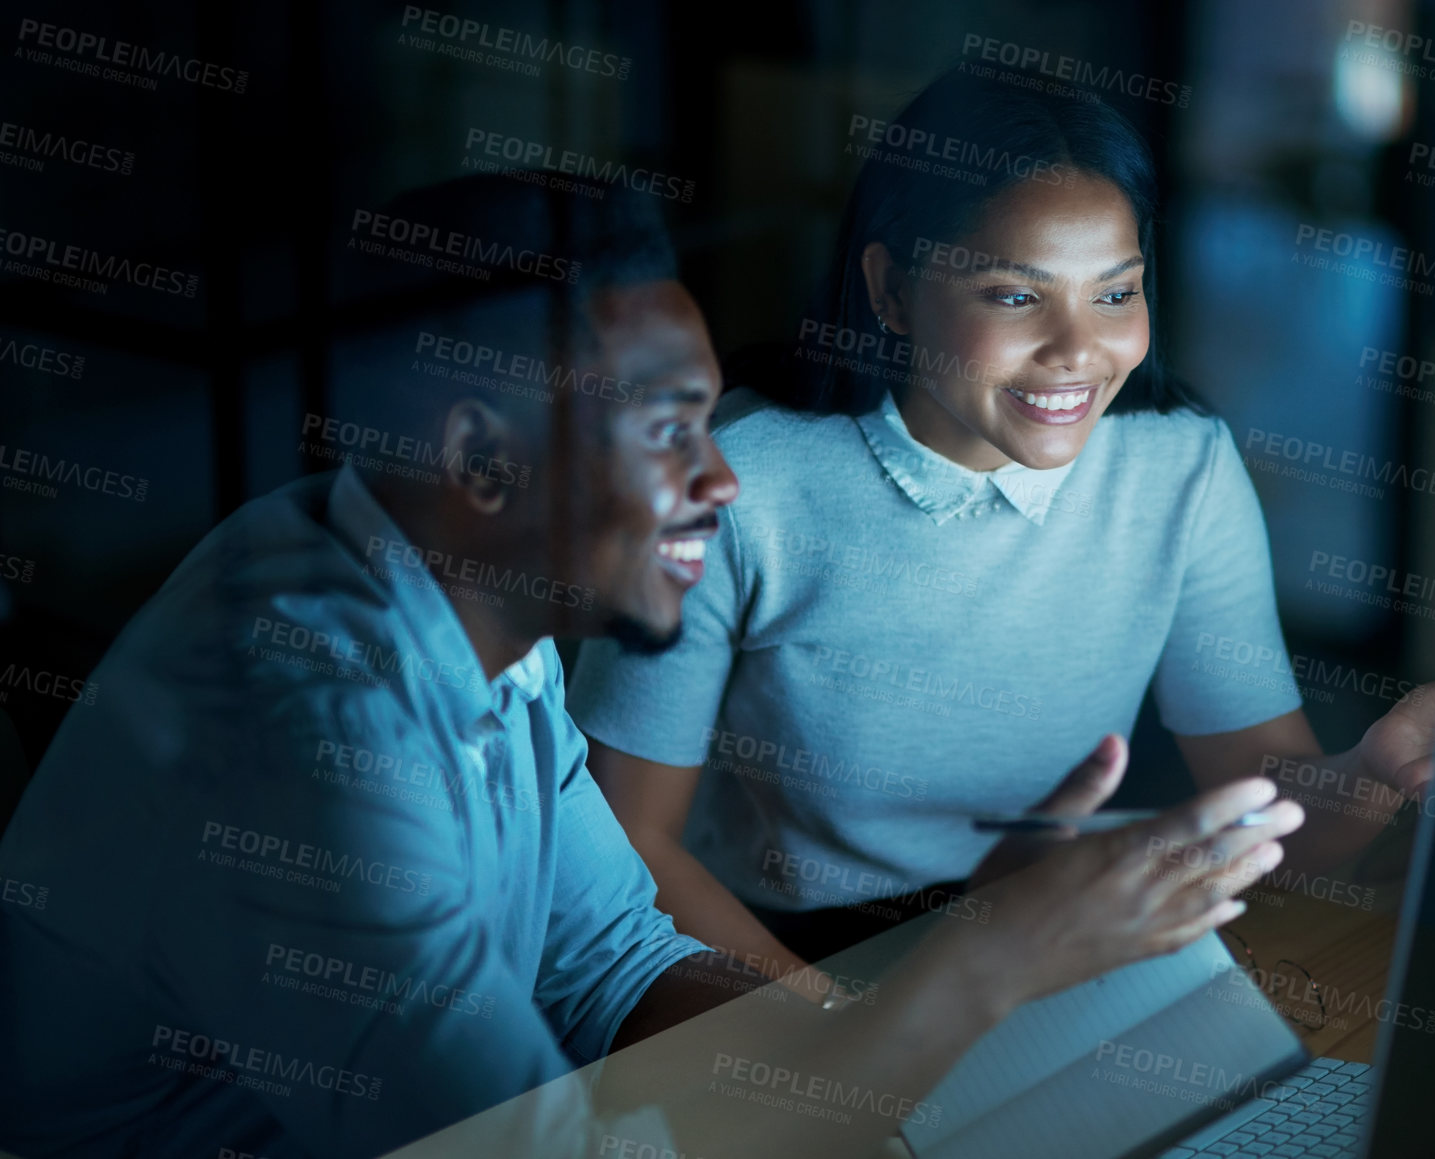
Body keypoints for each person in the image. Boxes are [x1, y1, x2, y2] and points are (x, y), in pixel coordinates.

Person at [0, 173, 1301, 1159]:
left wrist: (875, 1074)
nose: (720, 478)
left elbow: (609, 956)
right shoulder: (304, 735)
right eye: (673, 425)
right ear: (485, 462)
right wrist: (991, 963)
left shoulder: (465, 606)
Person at [570, 67, 1435, 992]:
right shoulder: (741, 481)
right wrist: (838, 1036)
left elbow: (1266, 809)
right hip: (786, 962)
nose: (1077, 350)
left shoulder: (1179, 465)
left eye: (1114, 294)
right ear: (892, 291)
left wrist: (1376, 771)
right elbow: (626, 838)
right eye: (1016, 296)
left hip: (1054, 939)